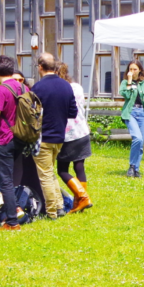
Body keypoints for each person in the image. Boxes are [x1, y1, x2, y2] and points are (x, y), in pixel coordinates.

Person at [31, 53, 78, 216]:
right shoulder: (66, 86)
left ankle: (52, 212)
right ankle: (59, 206)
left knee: (45, 175)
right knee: (50, 173)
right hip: (59, 136)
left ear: (40, 67)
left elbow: (31, 113)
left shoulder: (37, 87)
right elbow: (73, 112)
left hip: (43, 137)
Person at [0, 56, 27, 230]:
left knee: (5, 179)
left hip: (5, 138)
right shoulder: (23, 87)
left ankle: (12, 220)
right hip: (21, 137)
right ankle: (13, 205)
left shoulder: (0, 90)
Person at [56, 63, 92, 213]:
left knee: (62, 169)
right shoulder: (77, 87)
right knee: (79, 166)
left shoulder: (58, 90)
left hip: (67, 134)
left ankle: (83, 197)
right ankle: (79, 203)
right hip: (82, 131)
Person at [120, 58, 144, 179]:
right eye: (130, 69)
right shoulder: (124, 83)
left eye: (135, 69)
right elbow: (125, 94)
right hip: (130, 113)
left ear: (140, 70)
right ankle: (131, 166)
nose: (132, 71)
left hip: (143, 113)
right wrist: (129, 81)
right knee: (136, 138)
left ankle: (136, 169)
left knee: (140, 142)